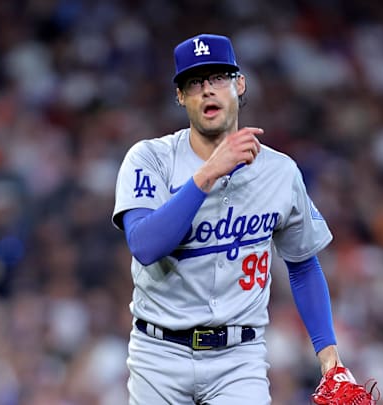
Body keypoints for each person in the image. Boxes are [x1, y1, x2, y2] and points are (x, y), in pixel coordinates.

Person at [112, 33, 354, 404]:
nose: (207, 90)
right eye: (194, 82)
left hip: (238, 360)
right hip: (158, 356)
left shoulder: (280, 172)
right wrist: (208, 174)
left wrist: (329, 357)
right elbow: (145, 245)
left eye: (218, 78)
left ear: (239, 84)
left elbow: (303, 265)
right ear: (180, 96)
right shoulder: (150, 159)